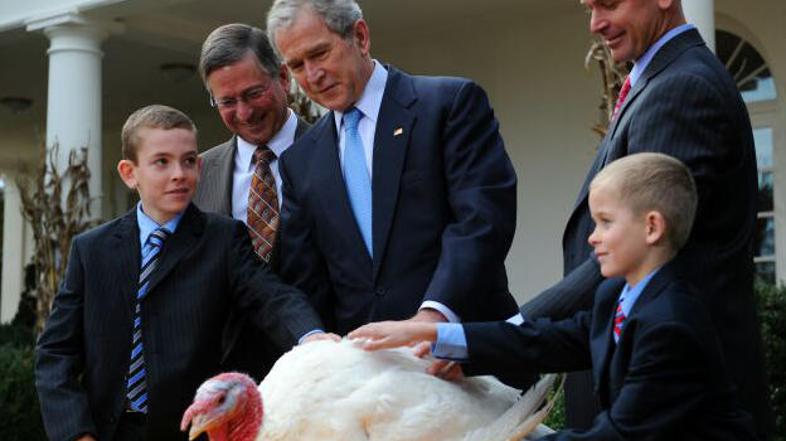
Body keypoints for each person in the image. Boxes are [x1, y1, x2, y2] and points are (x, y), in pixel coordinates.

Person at [351, 153, 759, 441]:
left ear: (652, 227)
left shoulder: (671, 323)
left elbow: (619, 435)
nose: (592, 237)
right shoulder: (618, 296)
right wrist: (437, 338)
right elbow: (545, 340)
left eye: (604, 222)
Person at [516, 0, 772, 436]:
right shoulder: (659, 81)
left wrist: (512, 332)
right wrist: (476, 344)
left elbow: (633, 259)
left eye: (609, 3)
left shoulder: (683, 88)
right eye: (588, 7)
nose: (596, 23)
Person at [35, 105, 333, 441]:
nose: (179, 173)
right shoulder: (91, 250)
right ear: (129, 173)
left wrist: (311, 338)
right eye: (162, 162)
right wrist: (76, 433)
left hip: (189, 431)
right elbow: (55, 354)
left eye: (189, 160)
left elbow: (271, 296)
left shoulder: (222, 239)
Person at [265, 0, 519, 336]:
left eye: (320, 54)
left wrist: (434, 318)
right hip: (370, 372)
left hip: (466, 352)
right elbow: (305, 277)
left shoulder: (447, 105)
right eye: (297, 65)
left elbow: (482, 220)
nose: (312, 75)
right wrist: (314, 338)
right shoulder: (300, 162)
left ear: (360, 36)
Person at [193, 23, 311, 379]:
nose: (243, 113)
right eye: (227, 102)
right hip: (224, 380)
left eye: (253, 93)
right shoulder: (198, 174)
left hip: (315, 372)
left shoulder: (334, 152)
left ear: (283, 78)